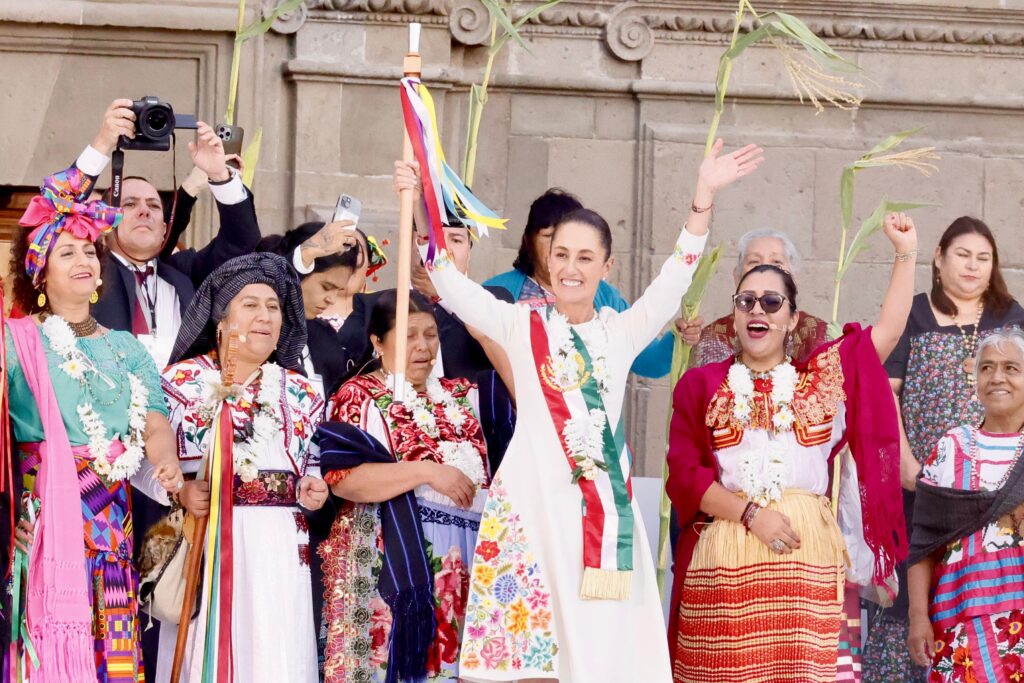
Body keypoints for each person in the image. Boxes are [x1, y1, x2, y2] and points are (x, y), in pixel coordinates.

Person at [397, 137, 764, 680]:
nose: (571, 267)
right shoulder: (520, 326)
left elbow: (675, 276)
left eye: (585, 257)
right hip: (530, 510)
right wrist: (415, 211)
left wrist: (702, 198)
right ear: (547, 258)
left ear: (606, 266)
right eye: (561, 254)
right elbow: (452, 285)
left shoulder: (623, 332)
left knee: (599, 657)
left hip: (600, 522)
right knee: (529, 661)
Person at [666, 212, 918, 683]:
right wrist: (749, 515)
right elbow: (683, 474)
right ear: (735, 313)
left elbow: (886, 331)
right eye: (746, 301)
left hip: (806, 564)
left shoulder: (822, 376)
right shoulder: (701, 385)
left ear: (792, 317)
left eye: (771, 301)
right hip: (727, 559)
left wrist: (905, 254)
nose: (757, 310)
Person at [6, 161, 184, 681]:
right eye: (68, 252)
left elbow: (153, 419)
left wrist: (167, 463)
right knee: (50, 643)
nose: (83, 258)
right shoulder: (17, 342)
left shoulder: (126, 346)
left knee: (112, 640)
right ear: (40, 272)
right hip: (41, 517)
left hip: (110, 520)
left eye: (90, 250)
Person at [864, 216, 1024, 682]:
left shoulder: (1012, 318)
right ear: (938, 256)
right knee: (914, 592)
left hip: (1003, 489)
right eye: (963, 255)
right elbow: (885, 390)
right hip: (922, 485)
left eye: (983, 258)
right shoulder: (912, 314)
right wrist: (906, 463)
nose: (973, 267)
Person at [157, 253, 328, 683]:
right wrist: (178, 490)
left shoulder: (303, 391)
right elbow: (144, 460)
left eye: (273, 306)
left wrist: (315, 485)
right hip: (207, 538)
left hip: (280, 545)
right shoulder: (179, 382)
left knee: (276, 654)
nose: (264, 315)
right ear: (220, 318)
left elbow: (314, 460)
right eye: (249, 304)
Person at [316, 290, 492, 683]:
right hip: (394, 557)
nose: (423, 346)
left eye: (430, 334)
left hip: (464, 563)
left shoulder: (462, 396)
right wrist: (426, 471)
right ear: (378, 341)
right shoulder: (360, 395)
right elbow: (346, 481)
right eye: (409, 335)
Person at [82, 99, 262, 366]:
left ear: (165, 228)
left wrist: (220, 176)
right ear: (104, 223)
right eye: (129, 204)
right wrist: (102, 144)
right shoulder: (86, 271)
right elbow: (51, 216)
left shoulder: (185, 273)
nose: (144, 211)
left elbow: (242, 240)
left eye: (154, 206)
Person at [906, 328, 1024, 682]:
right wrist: (917, 616)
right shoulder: (952, 447)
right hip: (958, 626)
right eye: (986, 368)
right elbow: (924, 540)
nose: (996, 377)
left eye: (1011, 368)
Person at [484, 187, 679, 379]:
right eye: (550, 236)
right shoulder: (497, 293)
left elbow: (649, 363)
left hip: (594, 410)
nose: (560, 246)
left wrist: (678, 338)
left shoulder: (605, 296)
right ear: (529, 240)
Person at [683, 228, 830, 366]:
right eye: (754, 262)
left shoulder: (820, 337)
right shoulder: (714, 339)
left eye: (777, 263)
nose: (765, 270)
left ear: (793, 279)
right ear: (737, 277)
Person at [258, 219, 363, 399]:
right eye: (326, 287)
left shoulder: (325, 338)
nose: (331, 299)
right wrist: (306, 254)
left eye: (338, 290)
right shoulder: (258, 330)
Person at [318, 227, 388, 332]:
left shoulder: (384, 310)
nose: (348, 260)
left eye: (355, 250)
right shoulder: (299, 312)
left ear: (368, 263)